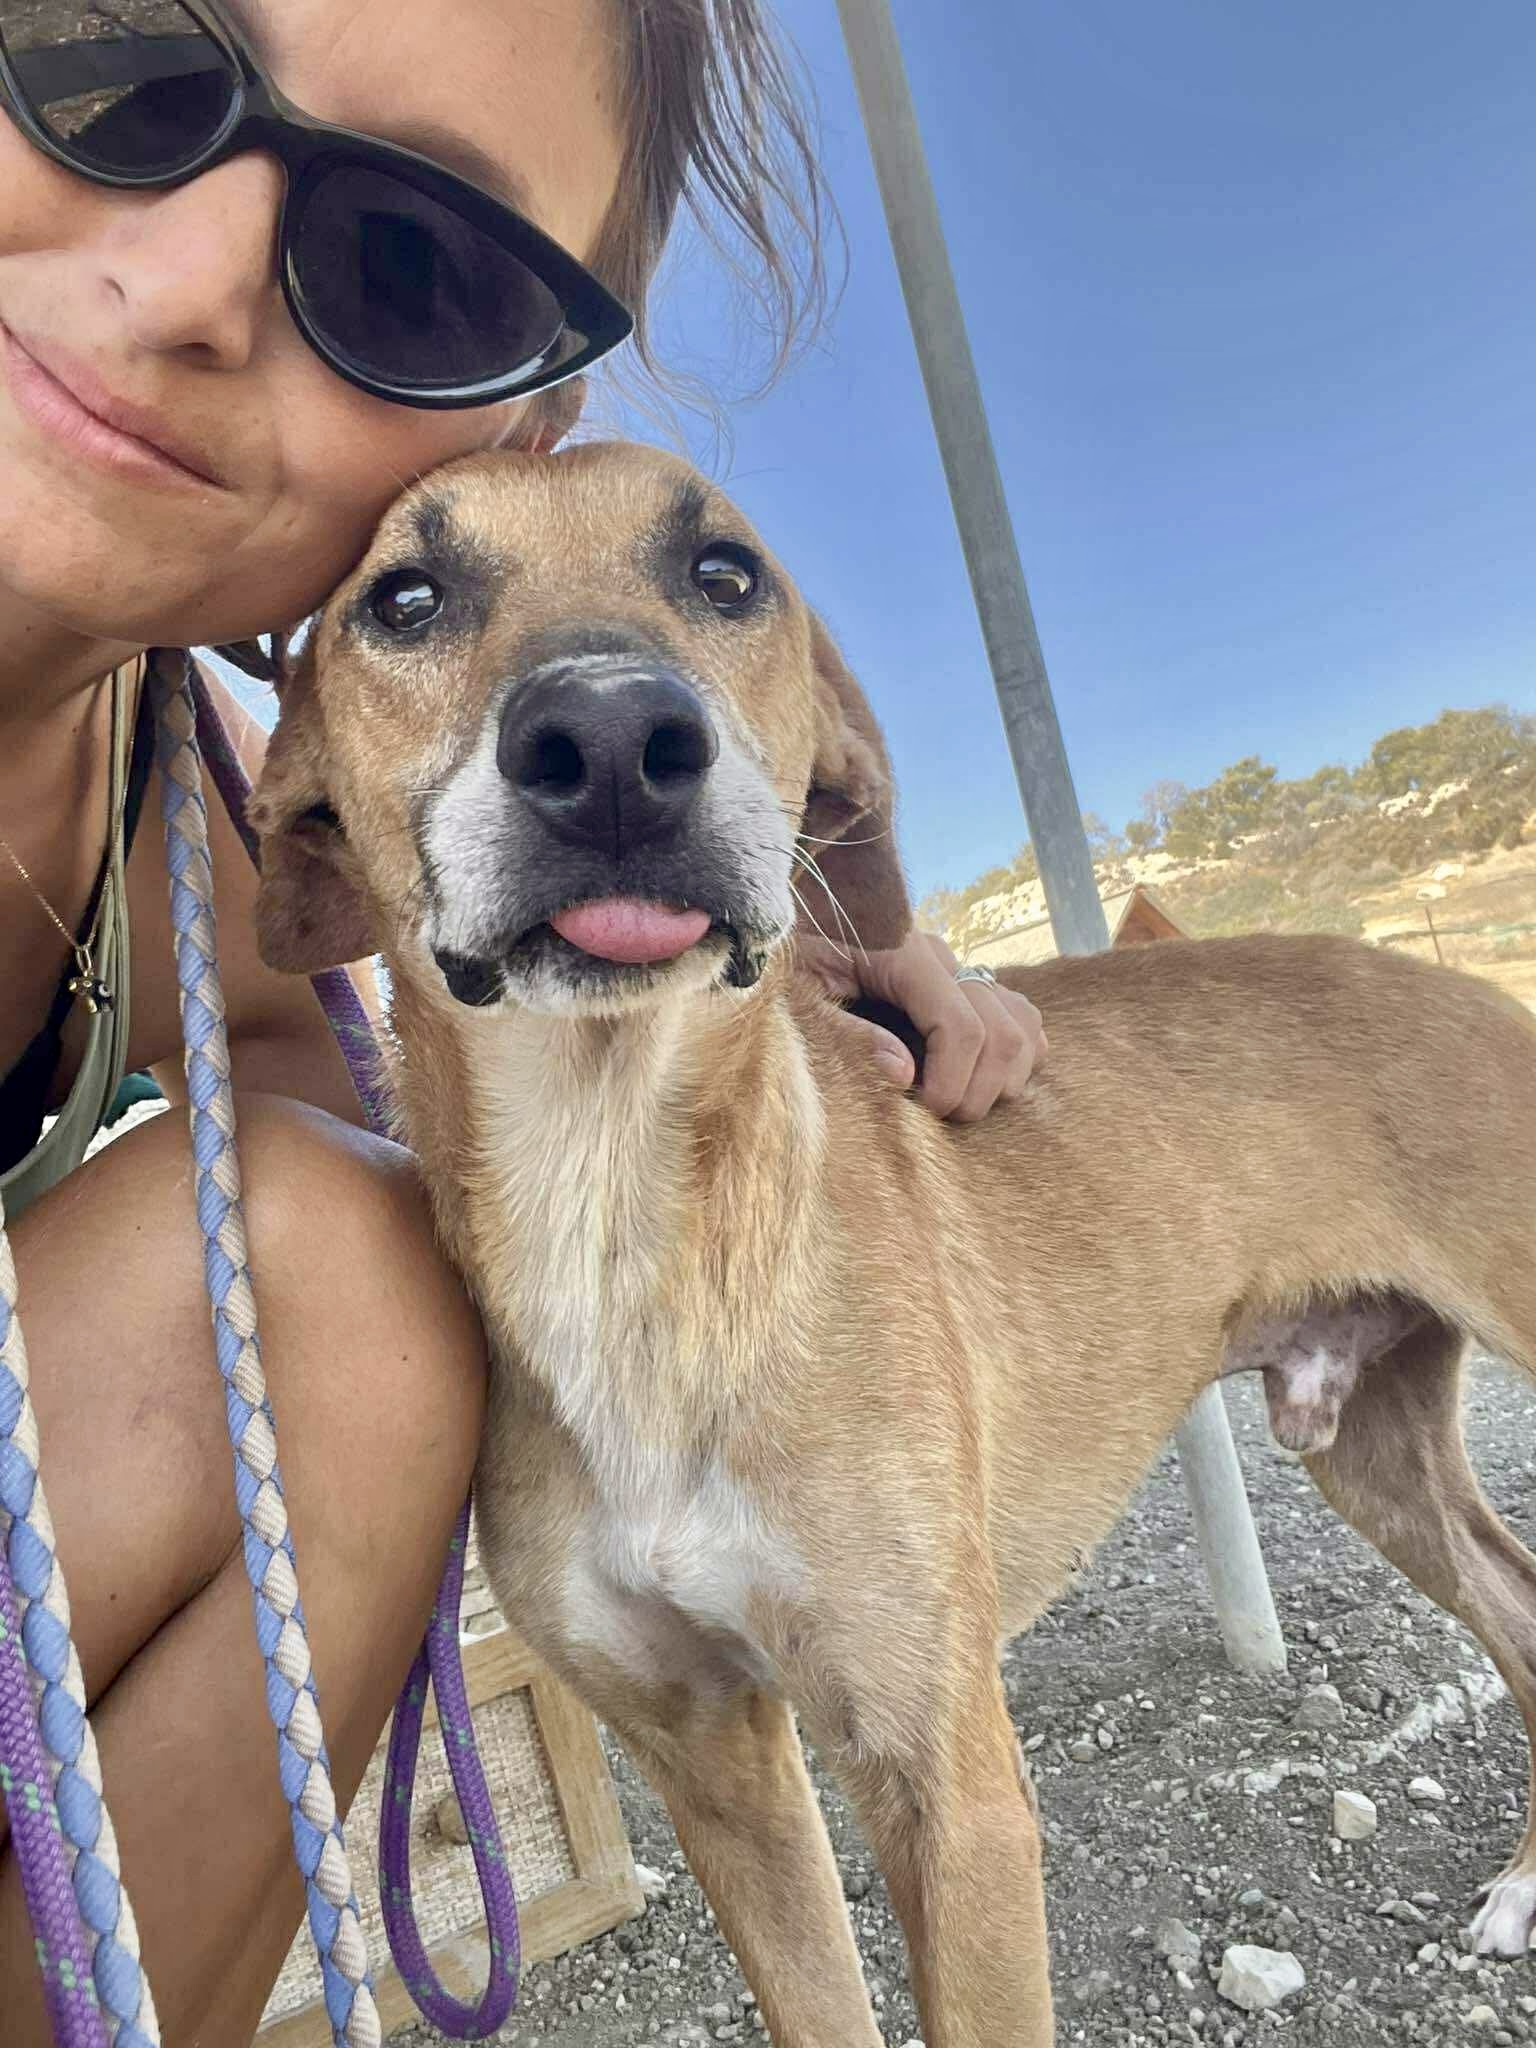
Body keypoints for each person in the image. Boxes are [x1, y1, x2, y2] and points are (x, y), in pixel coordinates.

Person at [0, 3, 1046, 2037]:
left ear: (513, 413)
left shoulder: (192, 815)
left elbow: (325, 1095)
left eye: (411, 265)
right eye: (111, 65)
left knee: (353, 1275)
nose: (196, 282)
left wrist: (867, 930)